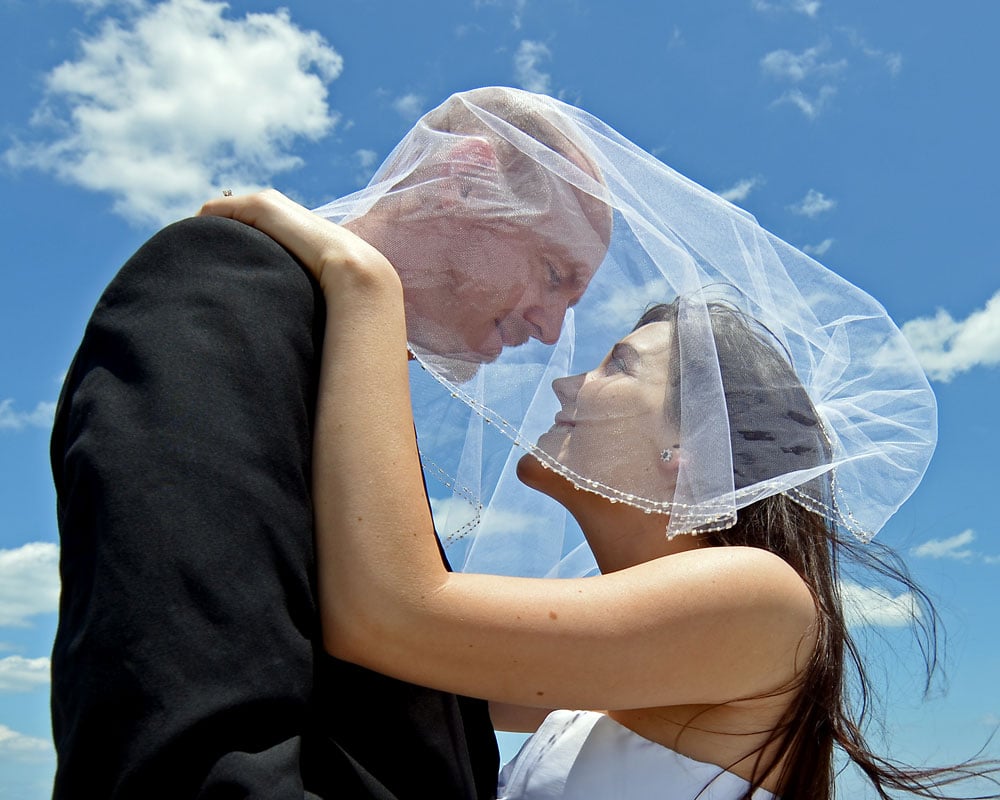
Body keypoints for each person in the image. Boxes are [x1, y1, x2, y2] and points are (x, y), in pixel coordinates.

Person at [203, 188, 1000, 800]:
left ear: (688, 451)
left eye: (617, 364)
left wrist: (365, 284)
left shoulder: (760, 598)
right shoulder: (617, 656)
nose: (565, 378)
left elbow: (391, 614)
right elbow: (379, 678)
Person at [49, 88, 610, 798]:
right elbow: (189, 708)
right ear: (466, 177)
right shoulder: (229, 281)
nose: (552, 330)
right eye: (555, 273)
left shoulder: (354, 383)